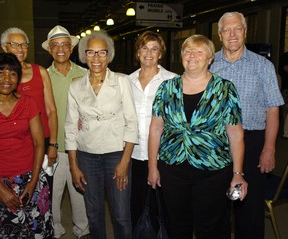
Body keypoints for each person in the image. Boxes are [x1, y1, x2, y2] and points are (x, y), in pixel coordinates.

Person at [148, 34, 248, 238]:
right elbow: (156, 128)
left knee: (210, 228)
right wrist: (152, 167)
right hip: (173, 169)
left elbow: (235, 134)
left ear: (210, 58)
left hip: (213, 172)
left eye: (198, 51)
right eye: (187, 51)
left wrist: (238, 174)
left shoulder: (225, 89)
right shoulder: (167, 88)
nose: (191, 55)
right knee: (177, 226)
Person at [210, 12, 284, 239]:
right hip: (217, 144)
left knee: (249, 210)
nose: (232, 34)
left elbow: (273, 108)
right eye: (227, 30)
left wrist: (269, 148)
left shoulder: (263, 66)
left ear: (245, 32)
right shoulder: (208, 64)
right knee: (215, 209)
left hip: (252, 142)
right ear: (220, 35)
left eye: (237, 29)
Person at [65, 31, 138, 239]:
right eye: (91, 52)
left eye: (101, 52)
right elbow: (70, 127)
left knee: (121, 214)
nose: (96, 58)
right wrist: (73, 164)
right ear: (84, 55)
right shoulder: (76, 86)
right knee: (94, 214)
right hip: (87, 155)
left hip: (116, 153)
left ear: (109, 55)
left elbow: (132, 123)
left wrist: (125, 161)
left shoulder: (122, 82)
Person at [0, 52, 52, 238]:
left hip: (32, 178)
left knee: (35, 231)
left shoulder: (28, 103)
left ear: (18, 79)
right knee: (5, 232)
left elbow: (39, 143)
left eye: (12, 73)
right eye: (1, 73)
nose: (7, 78)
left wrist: (33, 182)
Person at [42, 25, 90, 239]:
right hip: (53, 146)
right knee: (53, 194)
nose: (60, 49)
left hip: (80, 146)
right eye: (55, 45)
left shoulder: (85, 74)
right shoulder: (42, 76)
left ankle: (83, 230)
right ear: (49, 50)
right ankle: (55, 230)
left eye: (64, 45)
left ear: (71, 48)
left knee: (80, 192)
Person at [128, 30, 177, 232]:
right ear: (138, 52)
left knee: (161, 207)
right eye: (144, 48)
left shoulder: (172, 81)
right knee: (135, 205)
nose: (149, 53)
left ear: (161, 53)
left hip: (161, 155)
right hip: (132, 154)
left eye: (154, 49)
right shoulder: (127, 81)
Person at [0, 27, 58, 166]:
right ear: (4, 47)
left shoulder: (41, 72)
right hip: (14, 143)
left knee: (43, 185)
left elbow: (51, 110)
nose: (20, 49)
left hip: (42, 139)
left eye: (24, 45)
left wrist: (53, 144)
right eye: (14, 44)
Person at [278, 51, 288, 139]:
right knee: (285, 109)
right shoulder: (285, 56)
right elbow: (285, 68)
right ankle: (285, 131)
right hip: (286, 87)